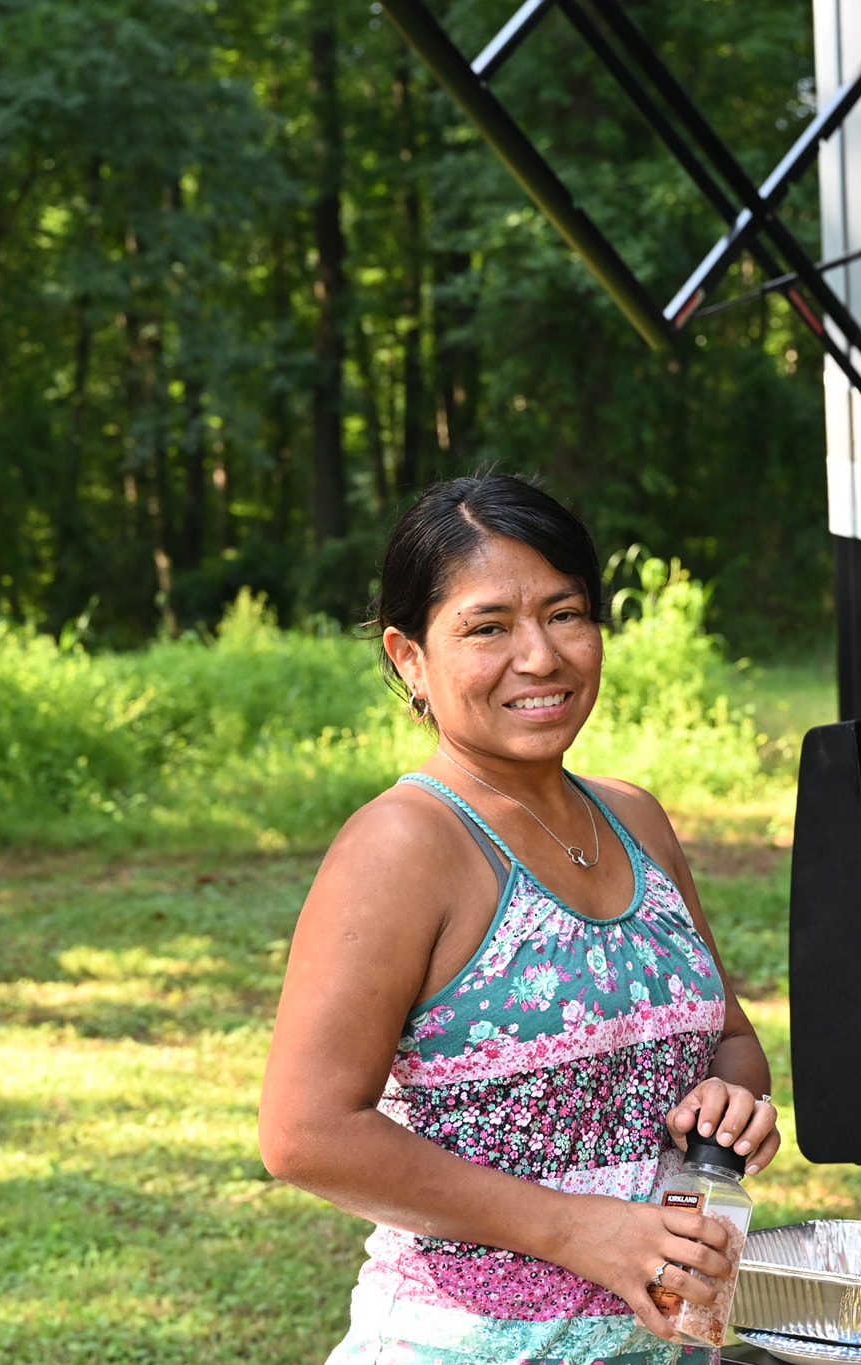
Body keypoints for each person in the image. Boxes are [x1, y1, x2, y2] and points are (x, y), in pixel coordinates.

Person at [260, 474, 783, 1364]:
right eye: (488, 626)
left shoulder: (637, 819)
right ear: (409, 657)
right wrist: (579, 1231)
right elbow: (306, 1131)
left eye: (566, 613)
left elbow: (726, 1036)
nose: (539, 656)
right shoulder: (403, 844)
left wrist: (735, 1101)